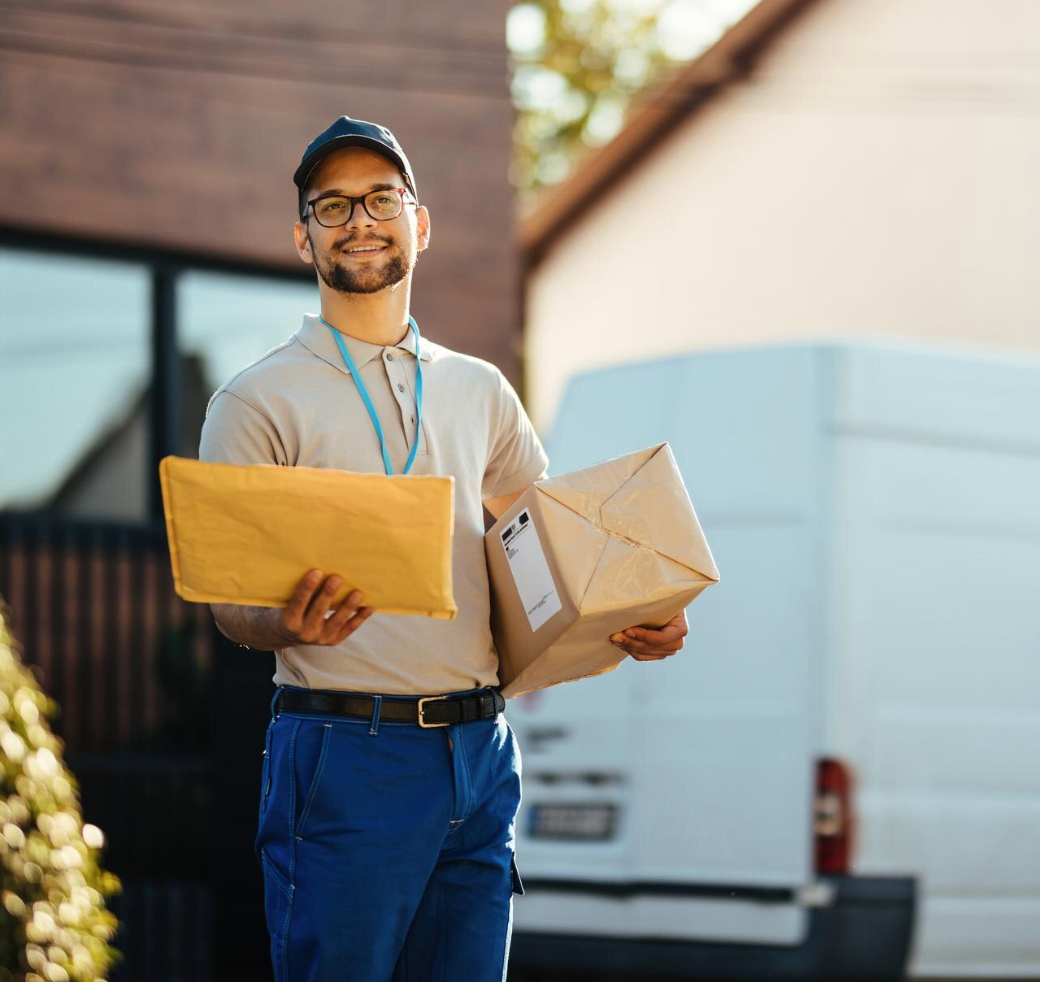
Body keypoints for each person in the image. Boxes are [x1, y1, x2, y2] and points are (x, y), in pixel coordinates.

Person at [197, 115, 688, 982]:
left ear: (420, 223)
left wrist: (630, 613)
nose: (360, 219)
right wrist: (281, 621)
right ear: (302, 236)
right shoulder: (255, 401)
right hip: (348, 755)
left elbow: (540, 556)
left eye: (382, 197)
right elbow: (226, 605)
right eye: (333, 204)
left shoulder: (480, 389)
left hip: (481, 755)